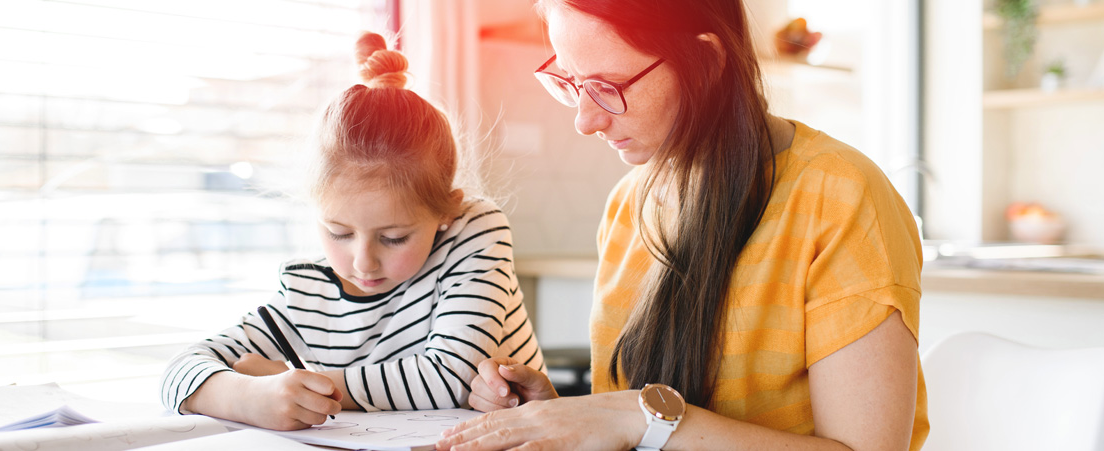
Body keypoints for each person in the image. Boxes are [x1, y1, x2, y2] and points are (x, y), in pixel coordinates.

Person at [437, 0, 928, 450]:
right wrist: (564, 418)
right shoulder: (628, 206)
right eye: (571, 84)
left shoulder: (840, 195)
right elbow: (636, 429)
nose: (585, 121)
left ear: (706, 63)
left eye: (607, 87)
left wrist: (643, 417)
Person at [158, 32, 544, 431]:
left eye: (394, 237)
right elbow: (177, 374)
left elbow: (452, 376)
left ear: (446, 210)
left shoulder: (473, 231)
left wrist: (305, 385)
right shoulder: (308, 288)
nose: (363, 261)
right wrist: (250, 395)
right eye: (338, 233)